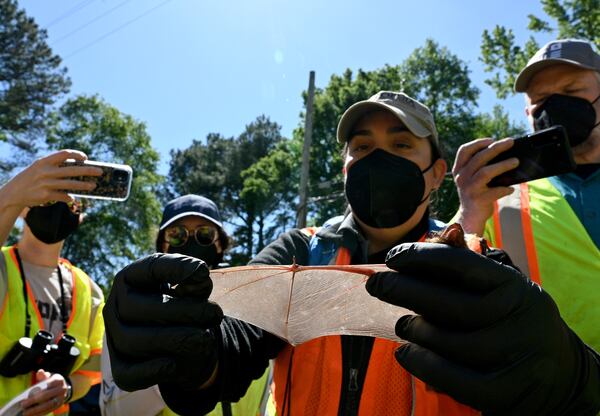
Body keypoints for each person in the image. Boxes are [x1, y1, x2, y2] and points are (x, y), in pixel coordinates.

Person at [104, 92, 600, 415]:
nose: (378, 159)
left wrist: (567, 373)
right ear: (344, 170)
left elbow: (527, 370)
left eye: (402, 145)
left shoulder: (474, 259)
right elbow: (232, 345)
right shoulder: (300, 249)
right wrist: (183, 348)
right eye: (362, 149)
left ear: (434, 173)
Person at [453, 38, 600, 353]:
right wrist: (468, 212)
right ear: (528, 113)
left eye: (572, 92)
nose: (556, 106)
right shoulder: (495, 201)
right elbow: (442, 286)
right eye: (542, 99)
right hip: (550, 396)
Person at [100, 194, 270, 416]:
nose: (190, 242)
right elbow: (113, 410)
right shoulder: (132, 311)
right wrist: (166, 369)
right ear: (163, 244)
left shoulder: (251, 309)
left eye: (205, 234)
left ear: (220, 244)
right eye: (177, 234)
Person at [0, 150, 106, 415]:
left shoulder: (90, 292)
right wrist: (10, 195)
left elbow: (91, 372)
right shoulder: (2, 265)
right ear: (24, 207)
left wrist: (68, 388)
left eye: (70, 201)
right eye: (49, 198)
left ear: (80, 216)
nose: (58, 207)